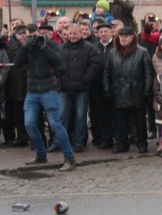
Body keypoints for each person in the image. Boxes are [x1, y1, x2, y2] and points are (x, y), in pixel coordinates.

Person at [15, 26, 78, 172]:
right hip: (32, 91)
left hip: (49, 89)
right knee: (29, 123)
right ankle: (40, 153)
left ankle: (69, 157)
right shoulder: (28, 49)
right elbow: (18, 63)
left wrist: (44, 46)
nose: (34, 38)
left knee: (55, 124)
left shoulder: (52, 45)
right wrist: (25, 47)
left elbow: (59, 63)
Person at [51, 24, 101, 153]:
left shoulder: (89, 48)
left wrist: (86, 78)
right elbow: (56, 65)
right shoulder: (61, 48)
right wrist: (60, 78)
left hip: (82, 88)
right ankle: (58, 142)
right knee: (62, 116)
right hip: (64, 88)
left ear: (80, 34)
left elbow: (95, 64)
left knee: (80, 117)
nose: (72, 36)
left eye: (75, 34)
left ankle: (79, 142)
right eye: (70, 34)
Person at [103, 26, 152, 154]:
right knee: (120, 120)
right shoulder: (112, 53)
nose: (123, 39)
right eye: (121, 36)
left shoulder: (142, 52)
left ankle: (142, 143)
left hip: (136, 90)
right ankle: (121, 143)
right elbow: (107, 72)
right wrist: (107, 89)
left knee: (139, 120)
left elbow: (148, 73)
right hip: (118, 90)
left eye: (126, 36)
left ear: (132, 37)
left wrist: (147, 90)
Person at [90, 21, 116, 149]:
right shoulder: (94, 47)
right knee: (102, 114)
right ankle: (106, 139)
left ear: (111, 32)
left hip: (115, 85)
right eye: (101, 32)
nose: (104, 34)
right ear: (97, 34)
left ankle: (119, 137)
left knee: (116, 114)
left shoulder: (117, 46)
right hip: (98, 86)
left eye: (106, 31)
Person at [4, 24, 30, 147]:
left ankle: (31, 136)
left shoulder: (33, 48)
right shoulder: (11, 50)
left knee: (32, 114)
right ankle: (21, 137)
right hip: (17, 86)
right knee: (19, 114)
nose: (23, 36)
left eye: (24, 33)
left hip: (30, 85)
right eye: (20, 34)